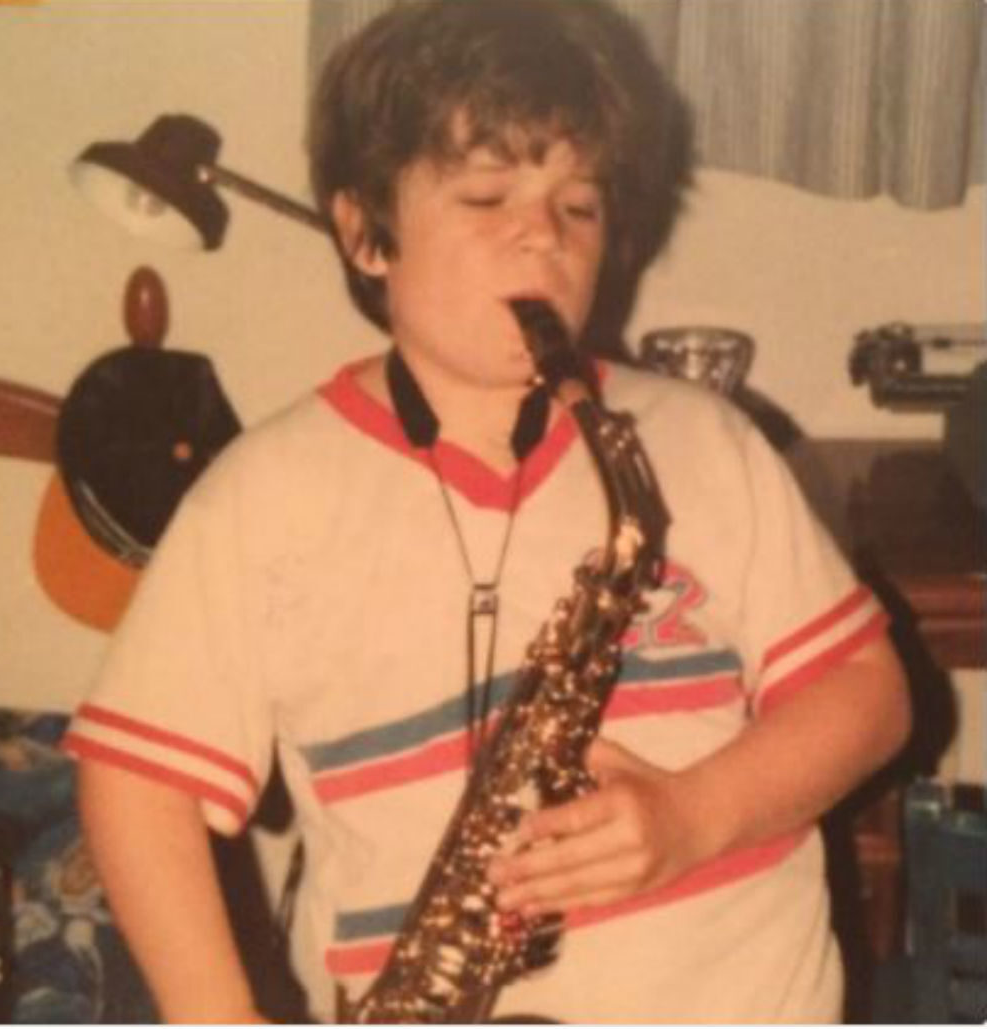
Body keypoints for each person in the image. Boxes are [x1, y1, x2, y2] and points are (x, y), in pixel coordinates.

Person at [64, 0, 910, 1022]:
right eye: (484, 195)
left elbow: (868, 696)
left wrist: (695, 816)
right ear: (365, 232)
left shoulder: (701, 444)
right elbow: (132, 784)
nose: (543, 240)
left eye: (580, 206)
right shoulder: (262, 498)